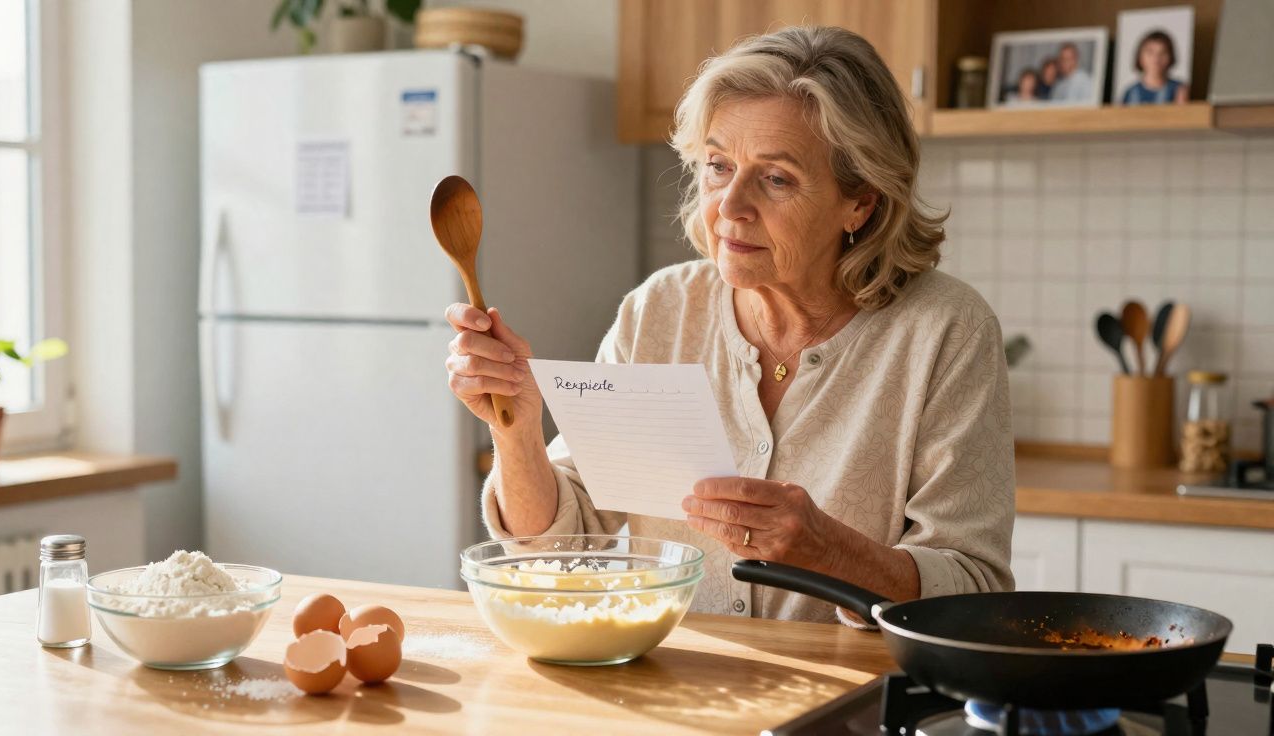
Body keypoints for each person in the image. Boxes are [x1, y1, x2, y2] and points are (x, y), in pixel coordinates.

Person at [444, 26, 1015, 626]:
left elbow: (974, 592)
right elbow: (559, 547)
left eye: (776, 178)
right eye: (718, 165)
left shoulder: (946, 331)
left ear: (861, 203)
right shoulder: (660, 310)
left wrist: (831, 550)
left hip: (855, 704)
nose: (729, 206)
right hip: (685, 694)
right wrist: (517, 429)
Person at [1121, 30, 1188, 105]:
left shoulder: (1179, 90)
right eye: (1150, 52)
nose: (1156, 59)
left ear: (1170, 57)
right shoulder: (1130, 92)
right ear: (1140, 57)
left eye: (1162, 53)